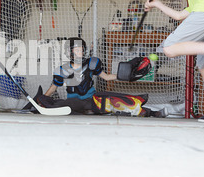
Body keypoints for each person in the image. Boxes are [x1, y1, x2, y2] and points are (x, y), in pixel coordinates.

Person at [37, 37, 167, 118]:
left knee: (111, 98)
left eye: (81, 49)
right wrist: (42, 100)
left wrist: (125, 76)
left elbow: (107, 77)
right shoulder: (63, 69)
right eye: (76, 50)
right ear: (69, 52)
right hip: (74, 102)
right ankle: (88, 109)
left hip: (93, 99)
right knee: (70, 104)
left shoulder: (92, 63)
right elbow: (53, 88)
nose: (80, 52)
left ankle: (151, 112)